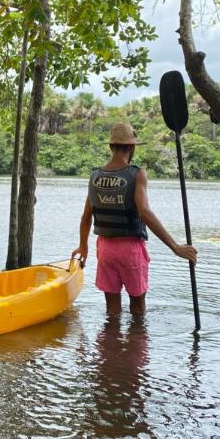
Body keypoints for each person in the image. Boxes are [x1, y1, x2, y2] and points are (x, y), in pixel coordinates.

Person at [73, 121, 198, 316]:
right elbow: (145, 213)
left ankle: (110, 345)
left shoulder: (95, 176)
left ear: (111, 146)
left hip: (105, 249)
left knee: (112, 310)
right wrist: (176, 247)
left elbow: (86, 217)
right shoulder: (137, 174)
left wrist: (83, 246)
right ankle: (136, 344)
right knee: (138, 309)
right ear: (131, 147)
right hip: (130, 249)